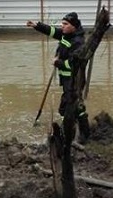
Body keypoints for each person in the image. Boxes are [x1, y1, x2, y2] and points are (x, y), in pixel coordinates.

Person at [26, 12, 90, 142]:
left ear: (74, 26)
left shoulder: (78, 42)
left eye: (66, 24)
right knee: (68, 106)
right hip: (67, 79)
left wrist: (57, 63)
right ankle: (69, 128)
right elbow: (53, 32)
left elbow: (72, 64)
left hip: (74, 80)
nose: (63, 26)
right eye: (62, 24)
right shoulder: (67, 35)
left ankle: (82, 133)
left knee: (72, 106)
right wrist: (37, 26)